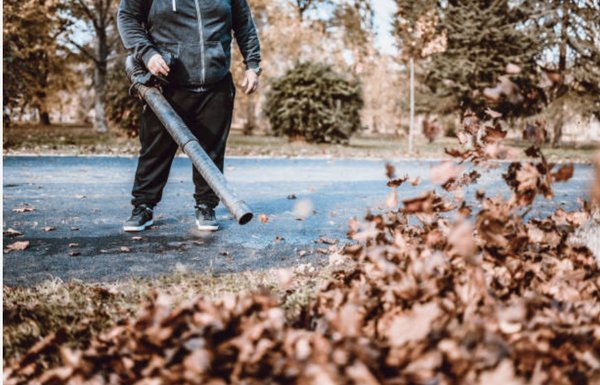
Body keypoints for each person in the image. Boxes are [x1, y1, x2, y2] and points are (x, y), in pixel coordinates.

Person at [116, 0, 261, 232]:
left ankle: (206, 205)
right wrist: (147, 53)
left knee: (211, 151)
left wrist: (252, 64)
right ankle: (143, 206)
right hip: (168, 84)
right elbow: (127, 17)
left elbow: (244, 24)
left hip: (216, 83)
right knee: (155, 151)